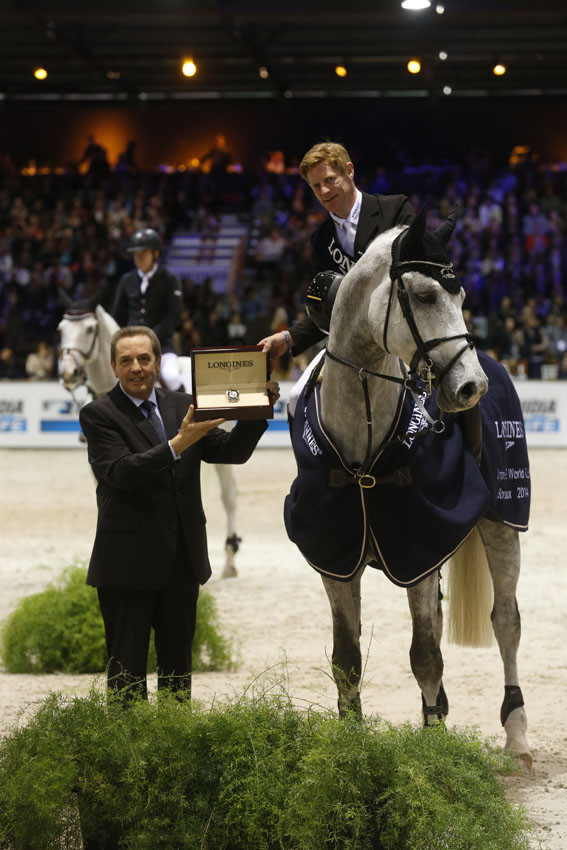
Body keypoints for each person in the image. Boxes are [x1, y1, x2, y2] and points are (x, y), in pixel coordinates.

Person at [79, 325, 278, 700]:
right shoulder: (98, 414)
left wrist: (257, 410)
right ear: (113, 365)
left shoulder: (183, 403)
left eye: (143, 358)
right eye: (126, 361)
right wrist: (178, 444)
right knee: (125, 685)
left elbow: (231, 452)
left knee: (177, 685)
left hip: (182, 564)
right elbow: (121, 473)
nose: (136, 367)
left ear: (156, 361)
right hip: (126, 568)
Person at [258, 141, 414, 407]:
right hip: (353, 344)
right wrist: (288, 338)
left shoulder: (395, 210)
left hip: (405, 333)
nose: (324, 191)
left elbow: (418, 277)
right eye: (316, 186)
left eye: (330, 179)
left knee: (453, 381)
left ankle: (472, 449)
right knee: (296, 399)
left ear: (349, 171)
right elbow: (330, 310)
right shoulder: (320, 240)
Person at [111, 228, 185, 391]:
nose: (139, 258)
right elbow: (117, 316)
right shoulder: (126, 281)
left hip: (161, 347)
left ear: (155, 254)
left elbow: (173, 316)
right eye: (136, 254)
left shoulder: (169, 279)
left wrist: (151, 338)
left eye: (144, 253)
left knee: (172, 377)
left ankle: (184, 413)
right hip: (129, 348)